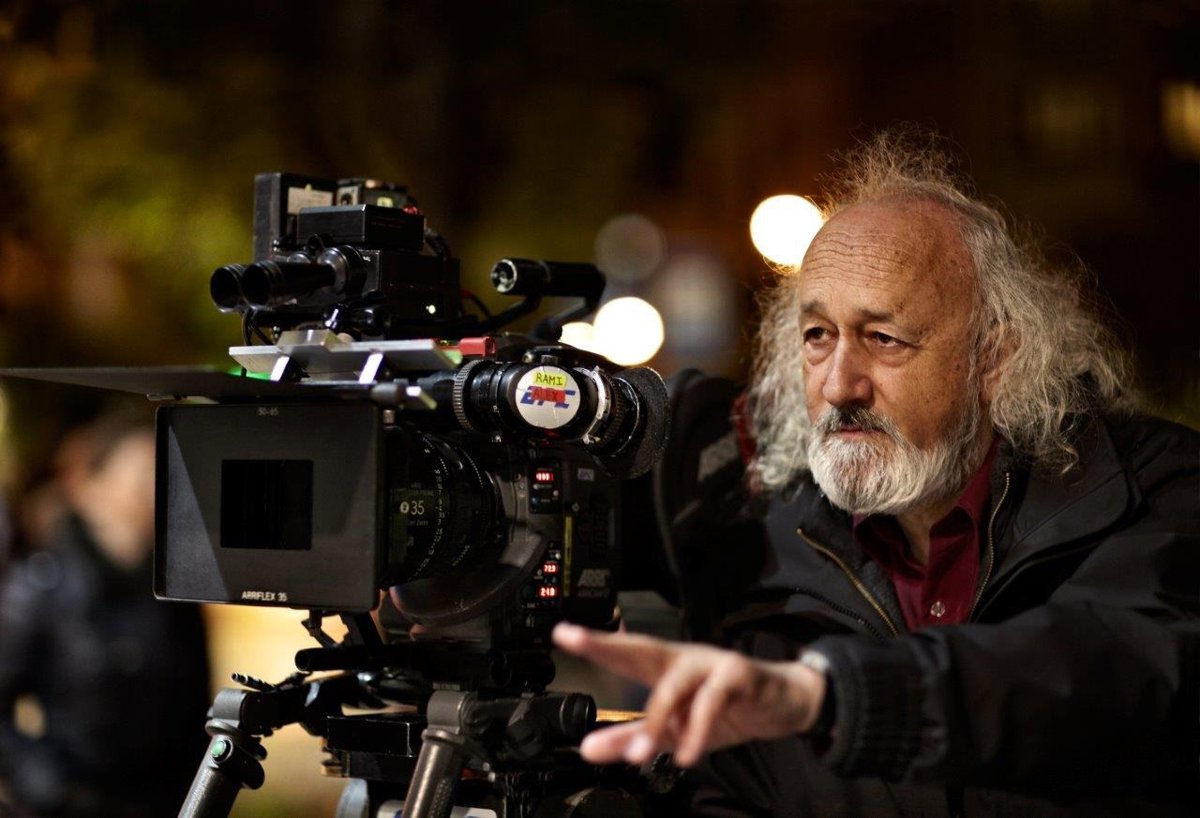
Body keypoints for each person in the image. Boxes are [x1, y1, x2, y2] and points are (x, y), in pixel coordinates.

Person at [554, 131, 1199, 816]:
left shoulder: (1157, 491)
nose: (839, 386)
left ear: (994, 356)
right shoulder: (738, 507)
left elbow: (1112, 675)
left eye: (884, 339)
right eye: (818, 336)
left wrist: (829, 696)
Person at [0, 411, 210, 818]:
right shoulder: (43, 585)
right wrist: (47, 787)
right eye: (142, 478)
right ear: (94, 485)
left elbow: (197, 707)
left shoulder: (179, 593)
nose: (154, 491)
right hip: (72, 803)